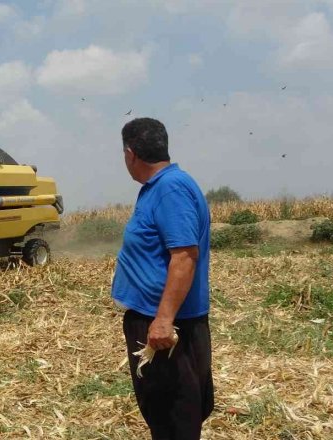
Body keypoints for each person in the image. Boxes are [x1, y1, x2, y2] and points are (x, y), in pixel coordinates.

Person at [111, 118, 214, 439]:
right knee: (166, 412)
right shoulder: (159, 187)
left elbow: (184, 256)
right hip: (159, 322)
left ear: (130, 154)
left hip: (167, 329)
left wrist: (163, 320)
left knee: (174, 415)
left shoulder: (171, 188)